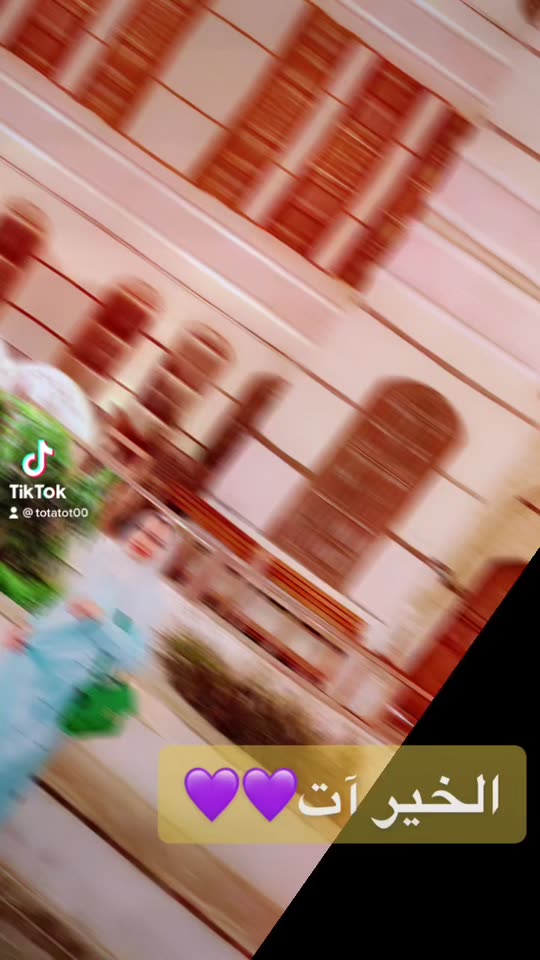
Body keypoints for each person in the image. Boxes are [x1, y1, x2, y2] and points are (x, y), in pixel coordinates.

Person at [0, 508, 175, 826]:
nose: (145, 541)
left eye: (156, 541)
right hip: (27, 665)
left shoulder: (147, 600)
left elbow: (132, 657)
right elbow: (63, 606)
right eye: (142, 531)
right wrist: (29, 627)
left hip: (59, 694)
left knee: (9, 764)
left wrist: (101, 621)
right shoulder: (104, 561)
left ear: (163, 555)